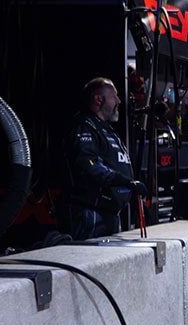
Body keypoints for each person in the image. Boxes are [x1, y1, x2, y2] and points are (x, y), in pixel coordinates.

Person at [61, 77, 146, 240]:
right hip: (91, 213)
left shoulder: (106, 129)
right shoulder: (85, 126)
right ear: (99, 99)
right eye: (114, 96)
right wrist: (124, 181)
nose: (119, 101)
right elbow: (88, 165)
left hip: (111, 214)